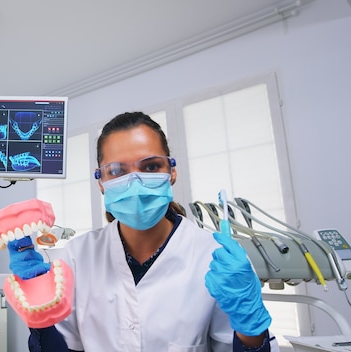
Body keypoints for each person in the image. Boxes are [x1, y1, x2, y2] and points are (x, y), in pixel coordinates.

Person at [27, 112, 277, 351]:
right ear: (101, 183)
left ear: (172, 173)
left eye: (150, 167)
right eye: (117, 171)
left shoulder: (217, 257)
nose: (135, 181)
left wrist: (251, 330)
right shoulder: (78, 255)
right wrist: (40, 316)